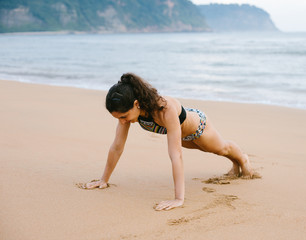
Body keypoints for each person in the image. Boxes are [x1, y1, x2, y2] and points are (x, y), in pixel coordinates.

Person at [83, 73, 260, 211]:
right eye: (118, 118)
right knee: (208, 150)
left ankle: (243, 159)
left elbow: (176, 155)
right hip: (182, 136)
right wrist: (103, 180)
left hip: (198, 127)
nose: (122, 121)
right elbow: (117, 147)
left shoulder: (164, 109)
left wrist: (178, 198)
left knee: (220, 148)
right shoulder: (127, 114)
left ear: (136, 104)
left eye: (123, 116)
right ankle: (234, 164)